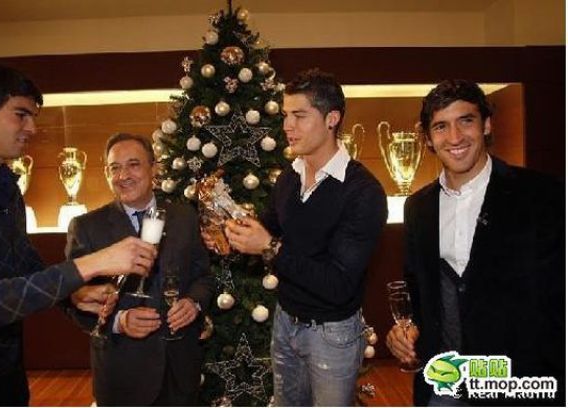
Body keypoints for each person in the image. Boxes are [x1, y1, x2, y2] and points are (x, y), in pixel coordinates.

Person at [0, 64, 156, 406]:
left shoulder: (5, 184)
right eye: (20, 115)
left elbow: (25, 266)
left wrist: (73, 294)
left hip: (6, 375)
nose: (32, 128)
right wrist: (90, 265)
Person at [386, 79, 565, 406]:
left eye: (465, 121)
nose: (454, 137)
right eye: (441, 126)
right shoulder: (418, 208)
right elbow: (418, 291)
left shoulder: (542, 195)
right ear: (428, 138)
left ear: (486, 125)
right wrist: (405, 331)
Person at [218, 68, 387, 406]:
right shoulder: (289, 177)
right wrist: (232, 236)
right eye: (285, 115)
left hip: (332, 333)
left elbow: (338, 284)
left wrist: (268, 247)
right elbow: (268, 230)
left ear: (332, 119)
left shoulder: (363, 192)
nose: (286, 126)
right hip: (285, 321)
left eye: (299, 115)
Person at [65, 132, 213, 406]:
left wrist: (194, 303)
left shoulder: (184, 216)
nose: (123, 175)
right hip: (123, 374)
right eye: (115, 168)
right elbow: (73, 301)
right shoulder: (86, 227)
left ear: (153, 168)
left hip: (180, 370)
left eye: (133, 165)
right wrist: (119, 321)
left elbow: (203, 276)